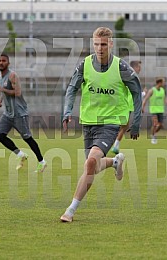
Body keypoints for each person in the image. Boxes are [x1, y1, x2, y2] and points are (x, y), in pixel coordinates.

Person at [60, 27, 142, 223]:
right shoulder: (84, 65)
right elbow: (72, 88)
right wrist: (67, 111)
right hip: (88, 122)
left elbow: (137, 92)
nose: (99, 48)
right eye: (96, 44)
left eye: (103, 44)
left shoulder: (121, 67)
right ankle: (115, 162)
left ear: (111, 44)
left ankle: (70, 210)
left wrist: (136, 121)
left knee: (90, 163)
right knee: (93, 167)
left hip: (111, 123)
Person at [0, 53, 47, 173]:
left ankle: (42, 162)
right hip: (7, 114)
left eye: (4, 61)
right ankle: (20, 154)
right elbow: (5, 90)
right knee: (0, 136)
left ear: (8, 63)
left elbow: (17, 92)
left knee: (27, 138)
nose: (1, 62)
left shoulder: (12, 75)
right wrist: (1, 99)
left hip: (19, 113)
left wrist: (1, 89)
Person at [111, 60, 147, 154]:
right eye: (139, 67)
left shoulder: (129, 76)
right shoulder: (129, 76)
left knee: (123, 126)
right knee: (122, 126)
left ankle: (115, 145)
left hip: (126, 104)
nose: (140, 69)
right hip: (126, 104)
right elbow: (132, 93)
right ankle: (113, 145)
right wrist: (143, 94)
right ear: (134, 67)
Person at [142, 77, 167, 144]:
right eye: (163, 82)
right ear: (159, 82)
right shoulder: (152, 90)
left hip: (160, 110)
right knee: (155, 124)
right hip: (154, 110)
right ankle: (153, 137)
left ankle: (153, 133)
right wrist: (143, 107)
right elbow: (145, 99)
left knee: (161, 125)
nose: (164, 83)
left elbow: (164, 99)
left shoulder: (162, 90)